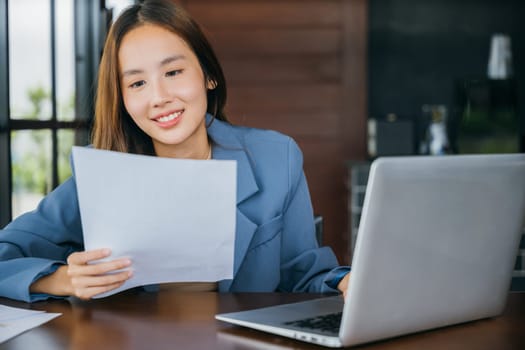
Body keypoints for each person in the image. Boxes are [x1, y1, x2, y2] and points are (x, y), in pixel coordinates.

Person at [0, 0, 350, 303]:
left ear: (208, 75)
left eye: (173, 71)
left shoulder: (276, 158)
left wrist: (347, 283)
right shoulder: (102, 173)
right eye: (137, 83)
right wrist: (62, 280)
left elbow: (305, 278)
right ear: (122, 99)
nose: (159, 97)